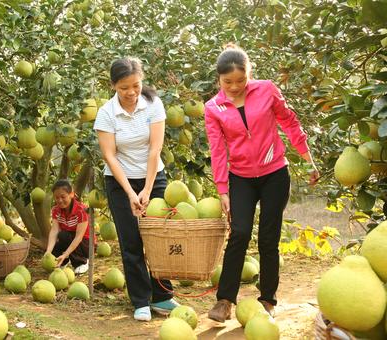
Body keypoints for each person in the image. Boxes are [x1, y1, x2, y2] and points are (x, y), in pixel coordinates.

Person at [204, 43, 319, 322]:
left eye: (240, 80)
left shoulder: (267, 90)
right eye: (227, 81)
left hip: (274, 174)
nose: (234, 86)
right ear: (218, 79)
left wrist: (307, 158)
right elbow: (218, 151)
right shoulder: (213, 108)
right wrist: (222, 190)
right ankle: (224, 300)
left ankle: (267, 299)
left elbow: (290, 122)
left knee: (269, 237)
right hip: (241, 177)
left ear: (249, 74)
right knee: (240, 233)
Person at [93, 57, 179, 322]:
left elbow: (155, 149)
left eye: (136, 86)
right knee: (131, 241)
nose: (131, 93)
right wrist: (131, 193)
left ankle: (163, 296)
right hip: (120, 183)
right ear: (113, 86)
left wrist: (148, 188)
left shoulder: (153, 105)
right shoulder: (106, 113)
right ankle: (141, 300)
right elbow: (110, 156)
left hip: (154, 177)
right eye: (124, 88)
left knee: (158, 238)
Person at [46, 179, 93, 274]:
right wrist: (48, 252)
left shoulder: (81, 210)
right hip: (69, 238)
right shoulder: (56, 210)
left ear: (71, 194)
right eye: (56, 197)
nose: (59, 200)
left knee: (65, 236)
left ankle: (82, 262)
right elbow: (54, 231)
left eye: (63, 197)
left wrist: (65, 254)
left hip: (85, 244)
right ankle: (63, 261)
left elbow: (79, 237)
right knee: (60, 237)